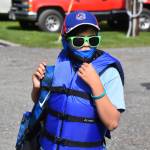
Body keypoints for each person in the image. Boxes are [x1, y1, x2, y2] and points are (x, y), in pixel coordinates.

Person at [31, 10, 125, 150]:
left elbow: (112, 123)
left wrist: (96, 84)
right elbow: (41, 102)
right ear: (66, 41)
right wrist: (38, 87)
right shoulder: (60, 66)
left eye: (92, 40)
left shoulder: (108, 72)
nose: (86, 45)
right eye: (79, 40)